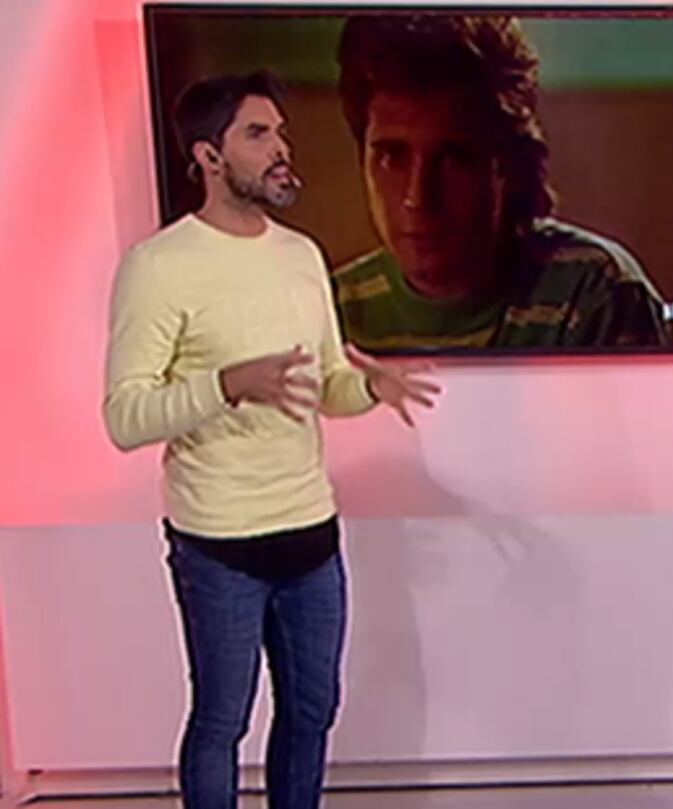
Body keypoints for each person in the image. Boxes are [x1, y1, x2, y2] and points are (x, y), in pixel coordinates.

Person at [103, 71, 439, 809]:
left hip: (311, 533)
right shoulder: (158, 266)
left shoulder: (301, 255)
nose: (281, 147)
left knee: (312, 712)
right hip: (218, 544)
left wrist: (368, 388)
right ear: (208, 156)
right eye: (258, 134)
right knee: (221, 722)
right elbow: (125, 416)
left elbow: (323, 384)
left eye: (280, 132)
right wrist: (226, 383)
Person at [332, 13, 668, 351]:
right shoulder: (330, 308)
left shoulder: (595, 294)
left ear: (506, 163)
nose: (418, 198)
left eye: (454, 158)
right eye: (392, 157)